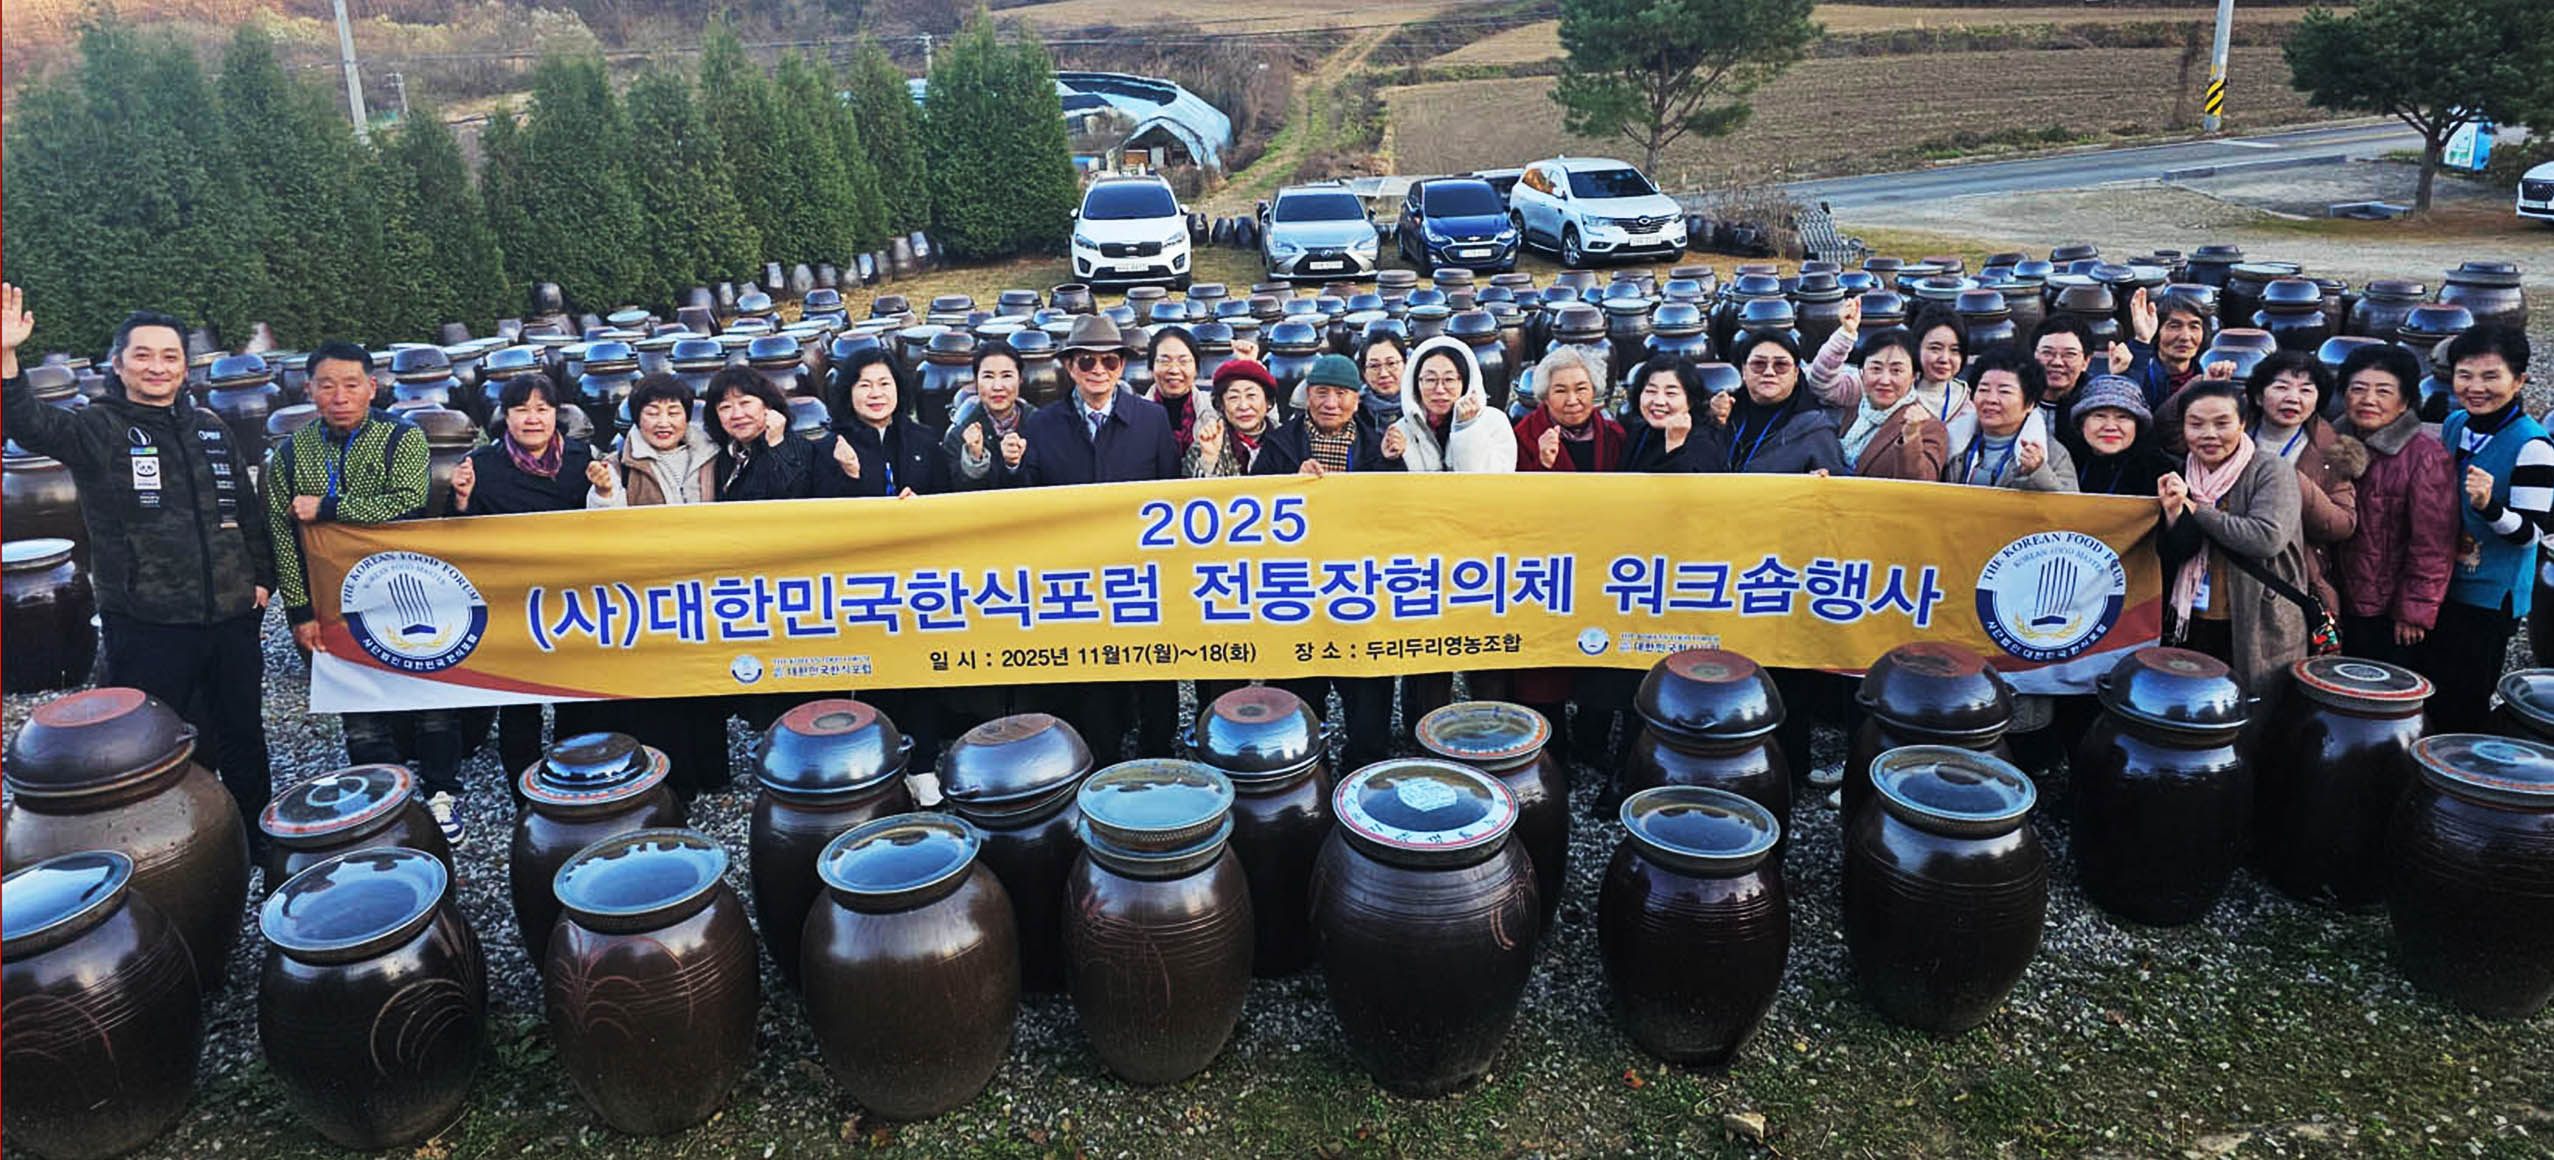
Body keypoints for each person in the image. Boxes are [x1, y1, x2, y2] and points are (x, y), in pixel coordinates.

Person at [0, 288, 279, 837]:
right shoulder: (97, 429)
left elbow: (246, 513)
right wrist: (8, 357)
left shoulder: (211, 428)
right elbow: (28, 423)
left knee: (243, 733)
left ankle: (256, 838)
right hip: (149, 624)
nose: (158, 366)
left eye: (170, 356)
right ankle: (184, 846)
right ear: (118, 364)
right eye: (143, 355)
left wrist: (262, 581)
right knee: (158, 743)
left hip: (231, 618)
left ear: (184, 367)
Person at [264, 342, 459, 840]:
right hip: (334, 601)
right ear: (308, 390)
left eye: (351, 385)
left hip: (406, 589)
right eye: (326, 385)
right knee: (360, 707)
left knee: (430, 695)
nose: (340, 396)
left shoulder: (402, 437)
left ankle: (441, 792)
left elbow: (408, 501)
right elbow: (283, 537)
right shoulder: (289, 455)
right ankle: (381, 801)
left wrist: (327, 508)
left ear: (372, 387)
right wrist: (299, 612)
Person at [1006, 313, 1181, 761]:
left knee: (1154, 669)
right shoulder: (1042, 424)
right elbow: (1026, 501)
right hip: (1076, 575)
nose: (1098, 370)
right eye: (1086, 361)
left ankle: (1158, 755)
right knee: (1095, 674)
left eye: (1109, 361)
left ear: (1122, 366)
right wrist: (1011, 465)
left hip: (1141, 572)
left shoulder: (1151, 420)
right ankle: (1101, 759)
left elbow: (1172, 493)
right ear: (1069, 367)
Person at [453, 373, 615, 779]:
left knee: (574, 693)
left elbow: (606, 525)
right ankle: (523, 787)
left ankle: (573, 775)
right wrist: (461, 500)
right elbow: (461, 538)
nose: (532, 419)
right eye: (521, 409)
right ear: (505, 416)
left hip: (571, 597)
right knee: (518, 699)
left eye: (542, 409)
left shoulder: (580, 458)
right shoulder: (482, 465)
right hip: (512, 601)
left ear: (556, 413)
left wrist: (604, 490)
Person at [1250, 353, 1406, 770]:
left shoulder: (1377, 444)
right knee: (1297, 696)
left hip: (1360, 592)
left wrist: (1391, 463)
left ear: (1357, 399)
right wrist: (1288, 484)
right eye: (1321, 392)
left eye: (1341, 393)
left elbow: (1400, 514)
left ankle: (1364, 771)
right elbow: (1251, 507)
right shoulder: (1281, 445)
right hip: (1296, 592)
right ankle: (1303, 773)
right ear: (1307, 395)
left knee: (1367, 693)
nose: (1331, 403)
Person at [583, 373, 730, 796]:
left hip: (707, 591)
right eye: (652, 412)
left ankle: (715, 777)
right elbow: (604, 530)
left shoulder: (714, 454)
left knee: (707, 685)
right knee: (663, 690)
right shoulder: (618, 464)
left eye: (673, 411)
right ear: (636, 418)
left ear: (688, 416)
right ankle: (675, 784)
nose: (664, 422)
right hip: (654, 597)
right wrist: (604, 493)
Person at [2422, 325, 2547, 732]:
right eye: (2465, 375)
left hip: (2490, 597)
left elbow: (2530, 535)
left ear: (2519, 380)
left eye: (2491, 376)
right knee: (2430, 687)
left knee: (2464, 699)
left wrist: (2489, 507)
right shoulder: (2457, 423)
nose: (2476, 387)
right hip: (2442, 582)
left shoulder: (2533, 446)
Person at [1391, 336, 1517, 731]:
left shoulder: (1493, 422)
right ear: (1415, 384)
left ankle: (1490, 733)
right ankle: (1424, 734)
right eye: (1429, 379)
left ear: (1466, 381)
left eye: (1449, 379)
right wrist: (1388, 457)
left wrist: (1467, 428)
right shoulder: (1402, 428)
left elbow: (1487, 486)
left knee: (1484, 655)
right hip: (1424, 561)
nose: (1439, 389)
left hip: (1481, 559)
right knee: (1429, 657)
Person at [1514, 344, 1630, 764]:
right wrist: (1542, 466)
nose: (1572, 399)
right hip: (1546, 568)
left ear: (1595, 391)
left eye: (1581, 388)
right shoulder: (1523, 434)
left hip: (1601, 566)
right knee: (1545, 664)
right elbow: (1508, 504)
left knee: (1599, 651)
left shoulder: (1614, 435)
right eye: (1560, 390)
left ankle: (1592, 740)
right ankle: (1551, 751)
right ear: (1544, 396)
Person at [2157, 379, 2308, 698]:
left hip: (2258, 619)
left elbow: (2266, 538)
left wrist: (2195, 509)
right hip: (2194, 617)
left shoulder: (2271, 470)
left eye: (2222, 423)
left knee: (2254, 710)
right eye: (2196, 424)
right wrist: (2173, 516)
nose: (2209, 434)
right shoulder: (2180, 474)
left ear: (2242, 423)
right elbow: (2174, 553)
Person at [2331, 343, 2453, 670]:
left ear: (2405, 401)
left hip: (2386, 607)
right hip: (2333, 594)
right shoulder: (2329, 442)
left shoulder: (2425, 455)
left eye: (2383, 391)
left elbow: (2434, 543)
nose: (2368, 400)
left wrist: (2415, 610)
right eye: (2358, 389)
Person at [2244, 351, 2362, 618]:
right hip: (2230, 566)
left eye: (2306, 390)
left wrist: (2293, 480)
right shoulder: (2232, 433)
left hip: (2295, 576)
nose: (2293, 398)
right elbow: (2170, 432)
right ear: (2259, 396)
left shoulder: (2332, 452)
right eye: (2281, 387)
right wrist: (2204, 384)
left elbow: (2343, 524)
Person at [1809, 303, 1973, 455]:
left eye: (1955, 350)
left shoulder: (1965, 405)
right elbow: (1822, 384)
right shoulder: (1878, 384)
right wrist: (1846, 335)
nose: (1944, 358)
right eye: (1935, 348)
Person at [703, 367, 861, 502]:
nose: (737, 415)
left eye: (745, 403)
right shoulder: (725, 456)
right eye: (725, 407)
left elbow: (793, 498)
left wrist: (777, 446)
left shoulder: (799, 448)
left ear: (767, 405)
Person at [1715, 330, 1847, 476]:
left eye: (1781, 365)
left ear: (1796, 373)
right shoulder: (1724, 413)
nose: (1769, 372)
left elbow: (1836, 482)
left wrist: (1820, 479)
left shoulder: (1816, 430)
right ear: (1743, 371)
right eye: (1758, 364)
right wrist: (1712, 420)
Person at [1949, 348, 2075, 491]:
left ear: (2030, 404)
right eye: (1984, 390)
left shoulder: (2052, 454)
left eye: (2004, 392)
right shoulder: (1951, 441)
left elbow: (2069, 503)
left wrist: (2037, 473)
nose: (1991, 399)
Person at [834, 348, 951, 499]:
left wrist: (921, 505)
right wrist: (851, 475)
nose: (876, 394)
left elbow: (947, 499)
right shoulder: (833, 448)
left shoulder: (925, 440)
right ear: (848, 392)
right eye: (865, 385)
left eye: (884, 384)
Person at [1834, 327, 1949, 481]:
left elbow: (1921, 485)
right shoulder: (1851, 411)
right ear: (1862, 372)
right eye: (1876, 369)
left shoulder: (1929, 428)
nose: (1885, 380)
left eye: (1896, 371)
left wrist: (1911, 437)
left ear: (1914, 376)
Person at [2068, 375, 2175, 498]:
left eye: (2122, 417)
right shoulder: (2066, 460)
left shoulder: (2159, 470)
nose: (2110, 427)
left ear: (2137, 425)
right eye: (2100, 416)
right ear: (2082, 423)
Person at [946, 340, 1030, 491]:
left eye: (1006, 376)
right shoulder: (959, 434)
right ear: (976, 381)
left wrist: (1013, 465)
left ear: (1020, 379)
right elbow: (954, 493)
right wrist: (974, 458)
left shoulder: (1041, 425)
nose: (997, 386)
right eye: (988, 376)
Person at [1623, 356, 1729, 473]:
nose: (1659, 401)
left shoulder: (1704, 442)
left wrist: (1675, 445)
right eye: (1651, 391)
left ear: (1691, 400)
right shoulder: (1638, 432)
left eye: (1671, 393)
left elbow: (1683, 484)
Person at [2122, 287, 2214, 411]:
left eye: (2194, 327)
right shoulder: (2143, 375)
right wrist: (2142, 340)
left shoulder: (2208, 376)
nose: (2185, 337)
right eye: (2174, 326)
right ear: (2156, 330)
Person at [1185, 359, 1281, 477]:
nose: (1243, 406)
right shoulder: (1203, 445)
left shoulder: (1287, 440)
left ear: (1268, 402)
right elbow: (1193, 487)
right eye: (1233, 397)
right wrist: (1209, 460)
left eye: (1251, 395)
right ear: (1221, 404)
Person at [2028, 314, 2105, 454]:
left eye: (2069, 354)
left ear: (2086, 361)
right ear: (2034, 355)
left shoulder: (2096, 404)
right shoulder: (2016, 398)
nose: (2057, 362)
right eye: (2047, 352)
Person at [1145, 325, 1205, 453]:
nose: (1174, 370)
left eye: (1183, 361)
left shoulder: (1213, 409)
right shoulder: (1134, 414)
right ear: (1151, 367)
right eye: (1164, 361)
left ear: (1196, 368)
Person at [1356, 331, 1411, 431]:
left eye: (1391, 363)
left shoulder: (1423, 406)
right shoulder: (1354, 411)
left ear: (1405, 364)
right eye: (1374, 366)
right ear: (1364, 372)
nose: (1383, 374)